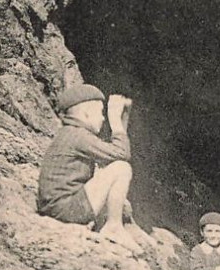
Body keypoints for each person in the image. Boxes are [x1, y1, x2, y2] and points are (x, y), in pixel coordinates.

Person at [37, 83, 150, 254]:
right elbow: (121, 154)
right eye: (101, 113)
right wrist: (114, 119)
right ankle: (113, 227)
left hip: (57, 208)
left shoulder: (70, 133)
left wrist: (123, 117)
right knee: (121, 167)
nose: (103, 118)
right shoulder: (79, 136)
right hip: (67, 210)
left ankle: (111, 225)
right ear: (86, 113)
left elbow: (113, 154)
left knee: (112, 167)